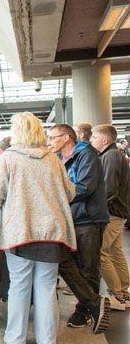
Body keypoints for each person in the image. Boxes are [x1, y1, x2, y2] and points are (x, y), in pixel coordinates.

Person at [0, 113, 76, 344]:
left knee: (19, 284)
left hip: (19, 229)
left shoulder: (8, 159)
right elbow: (70, 192)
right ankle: (48, 341)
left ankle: (16, 338)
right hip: (51, 232)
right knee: (47, 287)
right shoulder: (53, 159)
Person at [47, 123, 111, 333]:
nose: (49, 142)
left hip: (88, 218)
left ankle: (85, 311)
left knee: (88, 267)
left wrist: (55, 197)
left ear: (66, 138)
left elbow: (84, 186)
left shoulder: (86, 155)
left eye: (53, 137)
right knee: (67, 263)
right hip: (71, 218)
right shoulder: (58, 159)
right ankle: (93, 303)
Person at [90, 124, 130, 310]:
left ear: (105, 140)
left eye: (94, 137)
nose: (91, 140)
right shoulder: (112, 155)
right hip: (118, 211)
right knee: (115, 251)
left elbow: (109, 189)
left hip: (112, 213)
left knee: (101, 253)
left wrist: (97, 209)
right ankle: (123, 291)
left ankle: (119, 295)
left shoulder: (111, 156)